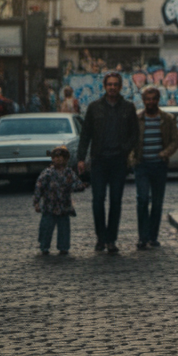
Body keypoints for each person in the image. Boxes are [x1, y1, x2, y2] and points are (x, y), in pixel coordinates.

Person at [77, 73, 138, 254]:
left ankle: (111, 239)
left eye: (115, 84)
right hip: (99, 161)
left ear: (120, 87)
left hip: (118, 161)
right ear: (105, 86)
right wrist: (81, 158)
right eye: (109, 84)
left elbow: (134, 134)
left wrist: (124, 149)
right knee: (97, 200)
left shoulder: (128, 107)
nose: (112, 87)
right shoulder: (94, 108)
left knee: (116, 201)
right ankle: (100, 238)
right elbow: (85, 134)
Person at [130, 86, 178, 250]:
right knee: (142, 200)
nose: (150, 102)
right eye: (147, 99)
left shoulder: (167, 119)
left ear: (158, 100)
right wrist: (132, 158)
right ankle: (142, 237)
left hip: (159, 166)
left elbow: (175, 141)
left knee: (157, 203)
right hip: (142, 165)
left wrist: (165, 153)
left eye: (153, 99)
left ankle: (153, 237)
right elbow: (129, 140)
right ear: (143, 101)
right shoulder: (137, 119)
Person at [33, 146, 88, 255]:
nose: (59, 159)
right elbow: (39, 187)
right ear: (52, 159)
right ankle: (44, 247)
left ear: (66, 159)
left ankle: (64, 247)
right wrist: (36, 202)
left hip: (64, 206)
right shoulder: (47, 173)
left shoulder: (69, 173)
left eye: (62, 157)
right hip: (49, 206)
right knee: (46, 228)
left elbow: (75, 184)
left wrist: (82, 186)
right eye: (56, 157)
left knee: (64, 229)